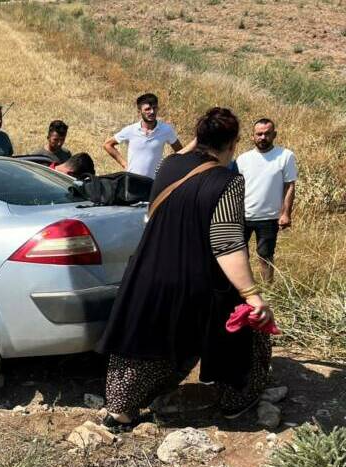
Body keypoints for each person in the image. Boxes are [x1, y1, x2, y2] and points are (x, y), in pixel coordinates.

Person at [97, 107, 275, 430]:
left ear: (198, 137)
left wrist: (199, 137)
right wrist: (252, 295)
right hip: (196, 280)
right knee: (243, 330)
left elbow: (188, 159)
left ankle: (121, 410)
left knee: (142, 342)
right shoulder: (229, 181)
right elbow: (226, 243)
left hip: (148, 274)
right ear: (234, 143)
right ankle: (236, 400)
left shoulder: (168, 166)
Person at [236, 118, 297, 283]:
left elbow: (289, 186)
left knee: (265, 256)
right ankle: (244, 290)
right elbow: (236, 188)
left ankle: (268, 292)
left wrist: (286, 214)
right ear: (252, 136)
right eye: (259, 134)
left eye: (267, 134)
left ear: (274, 134)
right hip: (243, 216)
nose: (263, 137)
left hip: (269, 217)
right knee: (239, 256)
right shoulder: (243, 159)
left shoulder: (285, 156)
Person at [103, 93, 183, 179]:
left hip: (153, 182)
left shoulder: (166, 130)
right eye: (147, 109)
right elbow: (107, 145)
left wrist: (168, 167)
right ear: (139, 111)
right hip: (132, 180)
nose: (152, 112)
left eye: (154, 108)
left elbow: (181, 152)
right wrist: (124, 164)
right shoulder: (131, 130)